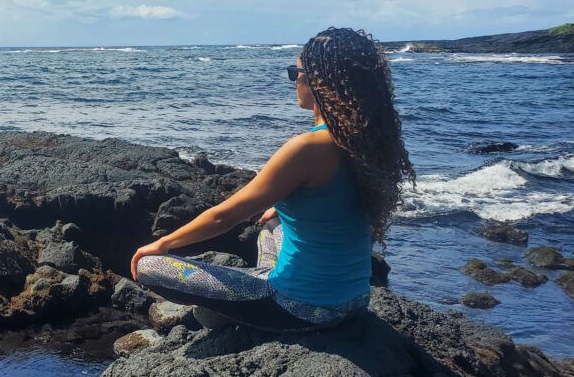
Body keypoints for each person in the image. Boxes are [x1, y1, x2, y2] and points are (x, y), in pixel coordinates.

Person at [129, 27, 415, 332]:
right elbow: (335, 200)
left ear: (318, 81)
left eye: (296, 73)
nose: (294, 82)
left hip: (301, 308)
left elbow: (224, 217)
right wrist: (284, 206)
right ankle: (262, 280)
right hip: (355, 300)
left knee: (150, 266)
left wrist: (163, 243)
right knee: (271, 223)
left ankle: (259, 289)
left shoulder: (307, 148)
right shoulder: (365, 142)